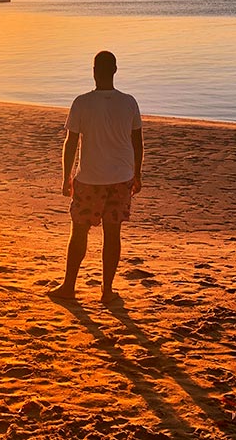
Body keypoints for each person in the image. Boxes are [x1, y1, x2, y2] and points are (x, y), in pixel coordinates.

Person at [48, 50, 143, 305]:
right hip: (121, 177)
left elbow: (70, 143)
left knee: (79, 231)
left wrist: (66, 176)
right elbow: (137, 142)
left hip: (90, 179)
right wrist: (138, 173)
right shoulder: (129, 102)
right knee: (113, 234)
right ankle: (107, 291)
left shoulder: (82, 102)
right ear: (115, 70)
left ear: (93, 71)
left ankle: (69, 286)